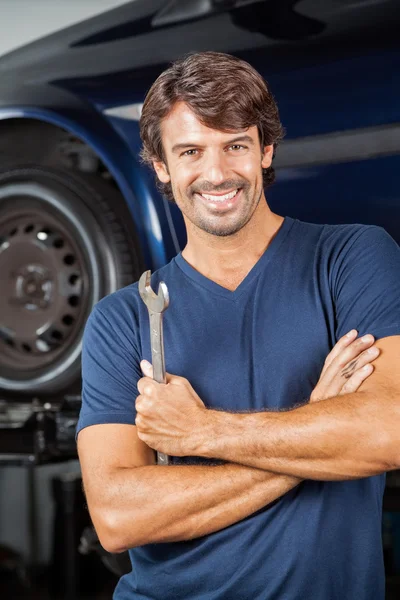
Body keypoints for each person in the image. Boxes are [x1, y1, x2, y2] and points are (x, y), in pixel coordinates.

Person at [77, 52, 400, 599]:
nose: (217, 173)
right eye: (190, 151)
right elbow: (118, 517)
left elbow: (387, 432)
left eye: (235, 145)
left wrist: (201, 433)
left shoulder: (351, 258)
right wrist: (319, 433)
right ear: (160, 165)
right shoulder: (125, 318)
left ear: (265, 149)